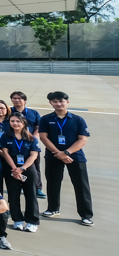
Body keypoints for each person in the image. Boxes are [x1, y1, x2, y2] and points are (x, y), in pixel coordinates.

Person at [38, 91, 92, 225]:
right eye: (55, 101)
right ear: (50, 103)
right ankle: (53, 209)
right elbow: (43, 137)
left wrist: (66, 153)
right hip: (53, 155)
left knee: (81, 185)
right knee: (53, 183)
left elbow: (83, 139)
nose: (58, 104)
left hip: (76, 156)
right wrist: (58, 153)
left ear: (67, 102)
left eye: (61, 101)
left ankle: (86, 215)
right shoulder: (45, 119)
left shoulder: (78, 119)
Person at [0, 113, 40, 232]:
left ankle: (32, 221)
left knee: (31, 194)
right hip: (11, 167)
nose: (15, 123)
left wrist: (22, 168)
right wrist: (14, 168)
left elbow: (34, 155)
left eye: (18, 121)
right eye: (12, 121)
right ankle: (17, 219)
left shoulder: (32, 138)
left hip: (28, 168)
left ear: (23, 123)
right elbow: (5, 153)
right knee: (13, 194)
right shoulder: (5, 136)